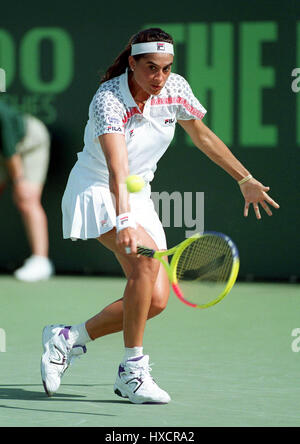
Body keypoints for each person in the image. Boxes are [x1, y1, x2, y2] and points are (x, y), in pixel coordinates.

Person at [40, 28, 279, 404]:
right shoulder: (108, 99)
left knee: (155, 301)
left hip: (139, 196)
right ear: (131, 63)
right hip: (97, 188)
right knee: (146, 269)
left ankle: (67, 338)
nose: (159, 78)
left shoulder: (175, 89)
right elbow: (117, 170)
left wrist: (244, 178)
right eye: (151, 68)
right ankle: (131, 371)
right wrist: (122, 222)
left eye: (166, 68)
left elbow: (202, 135)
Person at [0, 101, 54, 281]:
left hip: (30, 142)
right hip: (5, 150)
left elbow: (10, 149)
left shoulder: (1, 113)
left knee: (27, 199)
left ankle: (41, 261)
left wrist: (19, 180)